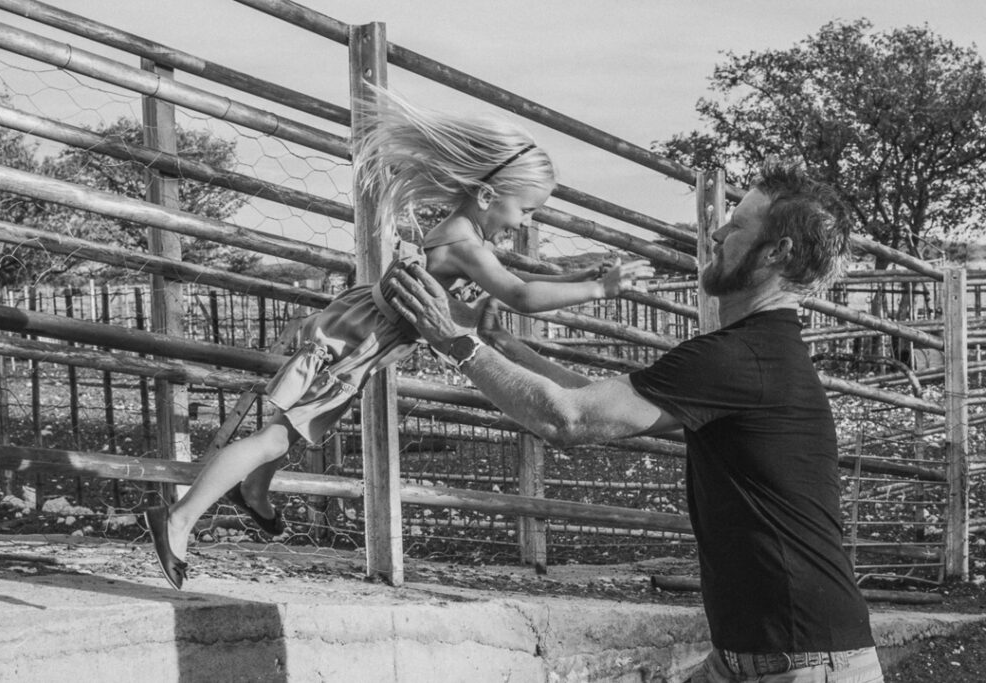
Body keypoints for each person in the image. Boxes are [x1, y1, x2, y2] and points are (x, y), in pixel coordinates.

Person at [387, 159, 883, 683]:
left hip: (804, 664)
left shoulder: (743, 358)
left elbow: (568, 420)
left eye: (737, 226)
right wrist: (502, 347)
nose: (717, 233)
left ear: (777, 253)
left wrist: (456, 344)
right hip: (766, 655)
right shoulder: (757, 355)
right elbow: (596, 401)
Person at [143, 89, 650, 590]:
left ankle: (254, 491)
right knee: (275, 436)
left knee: (290, 428)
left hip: (358, 332)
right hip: (358, 342)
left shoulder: (455, 238)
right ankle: (179, 520)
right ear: (489, 196)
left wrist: (562, 283)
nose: (526, 223)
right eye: (526, 211)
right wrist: (596, 286)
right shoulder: (464, 244)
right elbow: (519, 294)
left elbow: (477, 302)